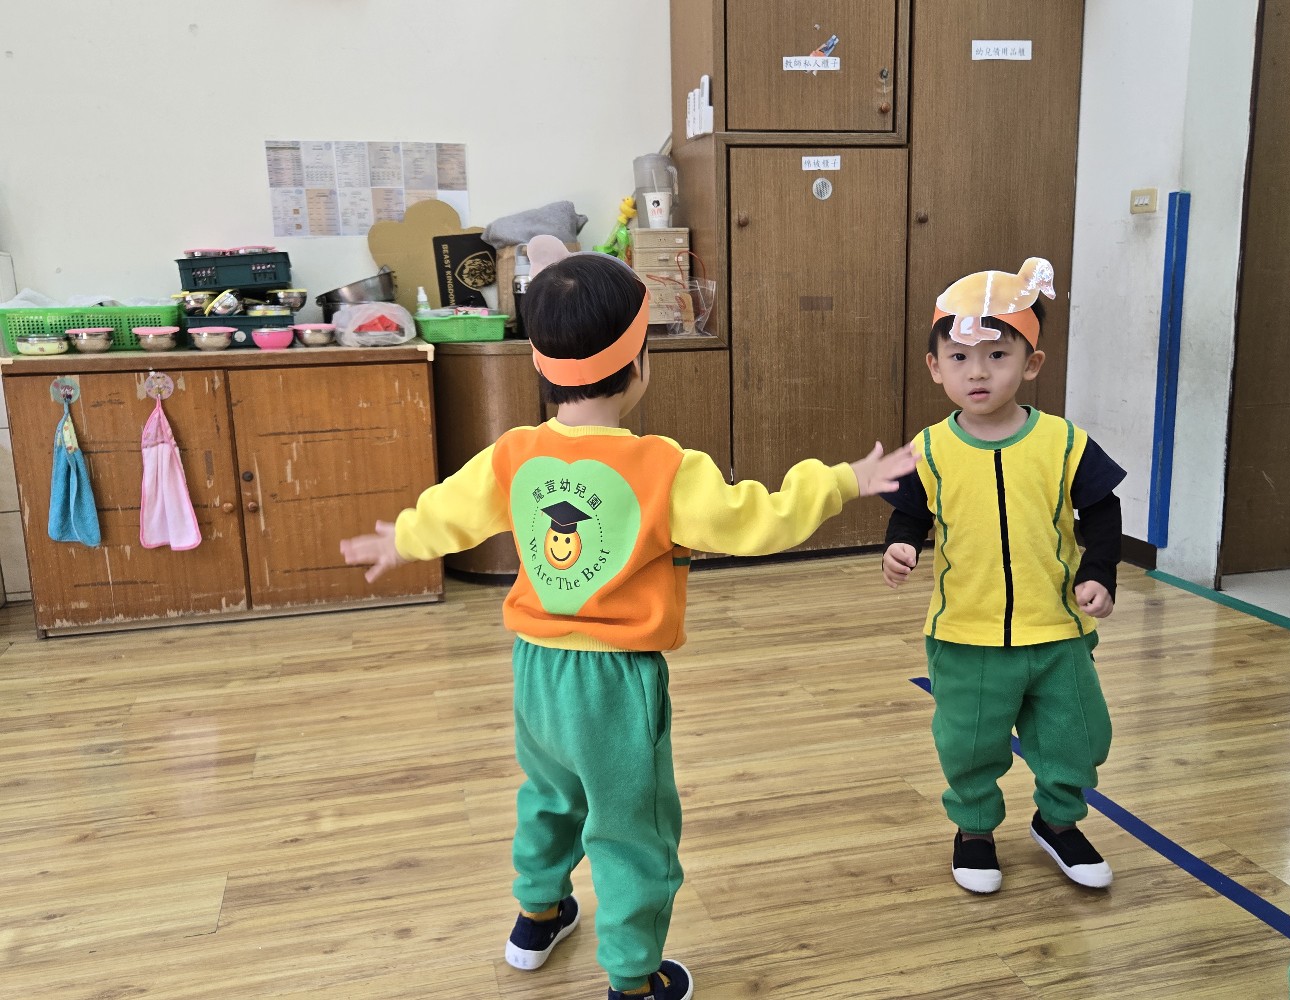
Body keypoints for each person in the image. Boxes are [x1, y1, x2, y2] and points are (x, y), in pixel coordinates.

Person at [341, 235, 918, 999]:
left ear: (540, 364)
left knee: (549, 796)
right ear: (640, 361)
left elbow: (450, 511)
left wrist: (404, 538)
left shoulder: (514, 453)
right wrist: (843, 480)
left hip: (536, 672)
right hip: (615, 684)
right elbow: (760, 521)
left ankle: (536, 915)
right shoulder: (664, 469)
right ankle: (633, 978)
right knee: (630, 829)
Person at [879, 257, 1125, 895]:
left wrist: (1099, 571)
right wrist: (900, 546)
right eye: (959, 358)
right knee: (969, 743)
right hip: (967, 634)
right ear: (935, 367)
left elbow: (1103, 510)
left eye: (997, 355)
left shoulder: (1064, 442)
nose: (978, 372)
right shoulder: (929, 449)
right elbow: (910, 513)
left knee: (1077, 735)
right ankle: (974, 831)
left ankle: (1058, 821)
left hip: (1057, 631)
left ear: (1031, 363)